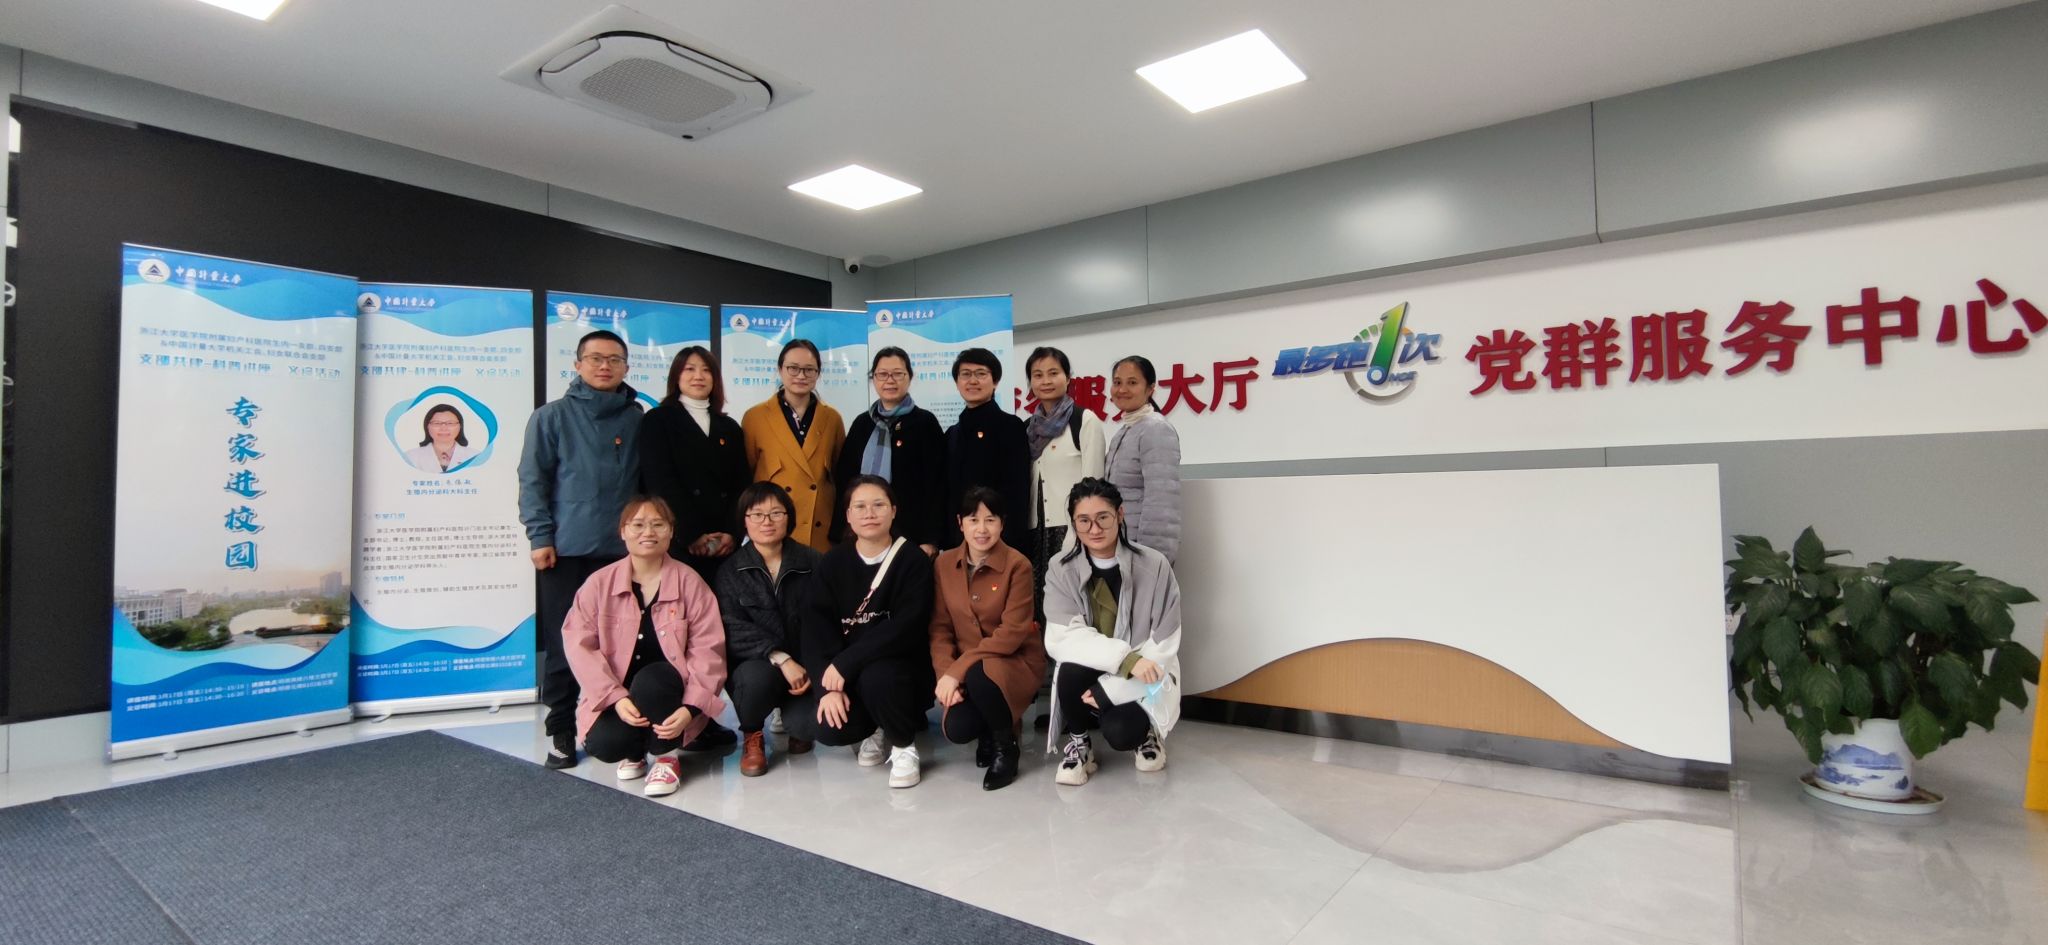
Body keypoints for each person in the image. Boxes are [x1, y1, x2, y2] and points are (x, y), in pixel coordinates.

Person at [519, 329, 644, 770]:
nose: (605, 366)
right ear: (577, 365)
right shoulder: (550, 417)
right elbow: (533, 480)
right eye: (595, 358)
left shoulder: (637, 418)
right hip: (567, 550)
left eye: (614, 359)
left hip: (625, 551)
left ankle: (619, 722)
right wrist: (540, 537)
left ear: (626, 367)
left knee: (623, 642)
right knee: (565, 641)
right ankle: (561, 727)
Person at [560, 497, 727, 797]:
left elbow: (709, 649)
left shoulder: (691, 583)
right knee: (605, 744)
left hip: (672, 694)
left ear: (671, 531)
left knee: (653, 679)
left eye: (658, 524)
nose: (648, 532)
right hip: (619, 696)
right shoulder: (599, 584)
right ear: (622, 531)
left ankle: (667, 757)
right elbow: (578, 646)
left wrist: (691, 708)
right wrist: (614, 697)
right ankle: (636, 752)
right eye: (638, 525)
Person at [786, 475, 935, 789]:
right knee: (828, 727)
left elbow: (906, 626)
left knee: (878, 676)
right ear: (848, 515)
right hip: (848, 672)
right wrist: (827, 687)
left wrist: (845, 663)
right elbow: (816, 629)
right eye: (860, 506)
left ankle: (903, 745)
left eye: (878, 505)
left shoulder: (912, 559)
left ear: (893, 511)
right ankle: (873, 728)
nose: (870, 514)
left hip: (900, 669)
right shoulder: (832, 562)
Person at [1042, 477, 1181, 786]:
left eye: (1103, 517)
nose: (1094, 529)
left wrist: (1111, 690)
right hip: (1103, 669)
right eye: (1084, 521)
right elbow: (1062, 637)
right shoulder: (1060, 569)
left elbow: (1165, 641)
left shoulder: (1155, 566)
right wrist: (1125, 659)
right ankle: (1079, 743)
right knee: (1069, 670)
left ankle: (1146, 733)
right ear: (1074, 524)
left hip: (1143, 675)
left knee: (1122, 733)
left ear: (1120, 514)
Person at [929, 487, 1044, 791]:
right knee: (957, 728)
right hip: (969, 669)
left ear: (1002, 524)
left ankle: (1006, 746)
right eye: (973, 520)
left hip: (1015, 659)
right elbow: (940, 628)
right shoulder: (943, 564)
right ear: (960, 523)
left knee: (981, 675)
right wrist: (945, 675)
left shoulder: (1018, 565)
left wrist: (958, 671)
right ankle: (988, 731)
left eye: (990, 520)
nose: (982, 529)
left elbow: (1012, 633)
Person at [715, 481, 822, 777]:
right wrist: (781, 659)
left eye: (776, 513)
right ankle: (753, 734)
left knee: (811, 727)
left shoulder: (813, 561)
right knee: (755, 680)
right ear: (744, 520)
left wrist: (812, 665)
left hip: (805, 665)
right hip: (759, 665)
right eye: (757, 514)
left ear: (788, 517)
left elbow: (826, 619)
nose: (767, 522)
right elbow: (731, 627)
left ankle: (796, 722)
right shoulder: (730, 570)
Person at [639, 346, 749, 585]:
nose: (698, 376)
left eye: (706, 370)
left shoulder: (729, 427)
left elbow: (741, 484)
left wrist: (732, 532)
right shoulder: (658, 420)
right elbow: (660, 482)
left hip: (723, 544)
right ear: (676, 376)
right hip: (678, 539)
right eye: (689, 369)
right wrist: (691, 534)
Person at [832, 346, 945, 555]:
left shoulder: (925, 423)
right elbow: (845, 481)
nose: (890, 380)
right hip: (862, 534)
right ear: (873, 379)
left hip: (911, 534)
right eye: (882, 374)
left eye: (897, 374)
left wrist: (930, 539)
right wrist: (841, 532)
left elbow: (937, 485)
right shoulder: (862, 424)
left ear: (909, 377)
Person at [1022, 346, 1105, 616]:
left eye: (1053, 373)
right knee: (1038, 609)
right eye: (1038, 375)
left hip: (1070, 531)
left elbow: (1094, 486)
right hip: (1036, 532)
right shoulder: (1027, 428)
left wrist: (1080, 532)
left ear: (1068, 378)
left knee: (1074, 608)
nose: (1045, 381)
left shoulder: (1084, 421)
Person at [742, 339, 846, 552]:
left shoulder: (832, 418)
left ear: (818, 373)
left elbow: (839, 474)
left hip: (820, 533)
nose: (801, 375)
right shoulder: (755, 417)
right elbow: (746, 475)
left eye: (809, 369)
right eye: (793, 368)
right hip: (772, 530)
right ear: (780, 369)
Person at [943, 347, 1030, 552]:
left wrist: (1008, 542)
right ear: (957, 382)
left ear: (995, 381)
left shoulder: (1010, 426)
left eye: (981, 374)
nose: (973, 381)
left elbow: (1017, 492)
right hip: (959, 542)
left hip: (999, 540)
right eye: (965, 374)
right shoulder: (952, 434)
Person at [1102, 355, 1183, 564]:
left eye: (1132, 382)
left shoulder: (1156, 429)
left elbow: (1162, 502)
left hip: (1141, 552)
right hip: (1118, 546)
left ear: (1150, 389)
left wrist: (1153, 558)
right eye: (1117, 382)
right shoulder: (1125, 431)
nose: (1122, 389)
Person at [404, 403, 480, 474]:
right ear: (427, 426)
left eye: (450, 423)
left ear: (460, 426)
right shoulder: (410, 457)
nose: (443, 428)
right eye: (437, 423)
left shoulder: (475, 457)